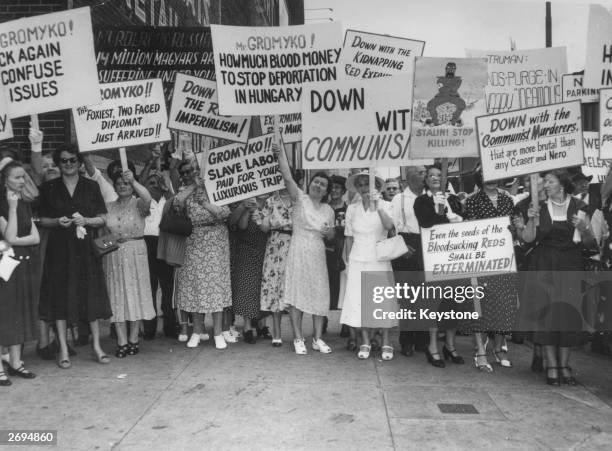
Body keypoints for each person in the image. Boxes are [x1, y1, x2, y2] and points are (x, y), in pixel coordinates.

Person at [515, 169, 593, 386]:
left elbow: (590, 243)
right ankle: (551, 364)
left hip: (571, 265)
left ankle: (564, 365)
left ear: (562, 184)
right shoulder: (539, 207)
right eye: (545, 181)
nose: (545, 185)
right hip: (545, 264)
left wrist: (584, 228)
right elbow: (529, 239)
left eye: (549, 181)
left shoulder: (579, 207)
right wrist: (530, 220)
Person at [38, 145, 112, 368]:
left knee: (89, 295)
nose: (68, 164)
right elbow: (42, 219)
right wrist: (56, 221)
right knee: (60, 297)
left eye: (72, 160)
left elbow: (102, 218)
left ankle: (97, 346)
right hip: (59, 250)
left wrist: (87, 221)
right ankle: (63, 348)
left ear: (79, 162)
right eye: (64, 161)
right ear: (59, 164)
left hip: (84, 250)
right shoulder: (49, 187)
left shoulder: (91, 186)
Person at [272, 143, 335, 355]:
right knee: (297, 294)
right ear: (310, 184)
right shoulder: (300, 199)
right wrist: (280, 154)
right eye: (316, 182)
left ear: (327, 191)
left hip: (317, 253)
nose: (318, 186)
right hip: (299, 250)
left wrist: (328, 233)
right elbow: (288, 177)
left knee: (319, 293)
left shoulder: (328, 210)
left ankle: (317, 338)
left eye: (323, 185)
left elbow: (332, 236)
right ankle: (298, 337)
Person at [174, 160, 232, 349]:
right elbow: (177, 204)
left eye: (191, 170)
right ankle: (197, 331)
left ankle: (217, 332)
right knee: (196, 287)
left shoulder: (218, 187)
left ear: (199, 168)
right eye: (184, 172)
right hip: (194, 242)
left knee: (215, 286)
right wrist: (193, 187)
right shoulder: (186, 190)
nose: (188, 174)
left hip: (216, 240)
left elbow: (224, 214)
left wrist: (205, 203)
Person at [464, 172, 519, 372]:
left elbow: (514, 226)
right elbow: (470, 228)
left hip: (504, 257)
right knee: (480, 304)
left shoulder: (507, 199)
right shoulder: (473, 201)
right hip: (482, 258)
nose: (491, 180)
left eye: (494, 175)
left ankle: (499, 348)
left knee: (503, 303)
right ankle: (480, 351)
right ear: (480, 180)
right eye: (487, 176)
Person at [340, 171, 397, 360]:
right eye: (361, 185)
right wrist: (347, 262)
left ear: (376, 187)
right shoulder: (352, 209)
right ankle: (364, 340)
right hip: (357, 258)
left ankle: (386, 341)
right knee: (360, 299)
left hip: (378, 257)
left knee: (381, 300)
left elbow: (389, 228)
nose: (365, 188)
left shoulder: (386, 204)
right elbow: (348, 237)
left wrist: (378, 205)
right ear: (357, 188)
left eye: (368, 184)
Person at [414, 165, 466, 368]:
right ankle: (433, 346)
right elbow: (426, 223)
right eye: (431, 176)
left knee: (453, 304)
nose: (436, 178)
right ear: (426, 180)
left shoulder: (452, 199)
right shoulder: (422, 200)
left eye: (439, 175)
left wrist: (458, 219)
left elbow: (465, 225)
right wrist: (439, 211)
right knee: (434, 304)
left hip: (452, 257)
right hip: (432, 258)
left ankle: (450, 345)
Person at [103, 170, 155, 358]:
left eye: (125, 183)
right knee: (117, 296)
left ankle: (134, 338)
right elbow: (102, 231)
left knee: (135, 294)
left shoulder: (139, 203)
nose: (122, 186)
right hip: (114, 254)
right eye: (118, 183)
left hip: (135, 252)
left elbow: (147, 197)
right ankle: (121, 340)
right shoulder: (108, 206)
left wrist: (134, 181)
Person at [0, 161, 40, 385]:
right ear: (5, 180)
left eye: (24, 177)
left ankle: (15, 361)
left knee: (19, 312)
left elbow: (35, 237)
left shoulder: (25, 204)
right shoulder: (3, 204)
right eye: (17, 177)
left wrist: (16, 240)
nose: (22, 181)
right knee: (4, 314)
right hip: (5, 265)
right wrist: (12, 208)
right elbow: (9, 236)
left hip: (22, 262)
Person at [391, 166, 428, 357]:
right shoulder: (399, 199)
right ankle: (406, 340)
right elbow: (392, 227)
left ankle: (423, 339)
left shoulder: (431, 195)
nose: (425, 176)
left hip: (429, 244)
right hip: (407, 244)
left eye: (425, 173)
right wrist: (402, 247)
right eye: (421, 172)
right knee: (407, 297)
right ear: (410, 175)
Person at [256, 188, 294, 346]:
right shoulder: (271, 201)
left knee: (293, 288)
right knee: (274, 288)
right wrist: (261, 219)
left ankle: (297, 335)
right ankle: (277, 333)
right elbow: (264, 228)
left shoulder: (298, 199)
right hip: (275, 245)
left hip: (295, 245)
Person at [141, 171, 177, 340]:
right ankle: (149, 329)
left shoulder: (167, 200)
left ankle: (170, 327)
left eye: (157, 183)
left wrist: (166, 187)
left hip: (164, 244)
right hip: (147, 246)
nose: (155, 186)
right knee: (150, 289)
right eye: (151, 183)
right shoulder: (142, 202)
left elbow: (178, 204)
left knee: (168, 289)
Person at [229, 197, 268, 344]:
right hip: (247, 249)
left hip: (264, 249)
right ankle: (247, 328)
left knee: (263, 289)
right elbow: (243, 226)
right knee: (248, 288)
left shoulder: (270, 203)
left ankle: (262, 326)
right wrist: (248, 209)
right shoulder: (248, 201)